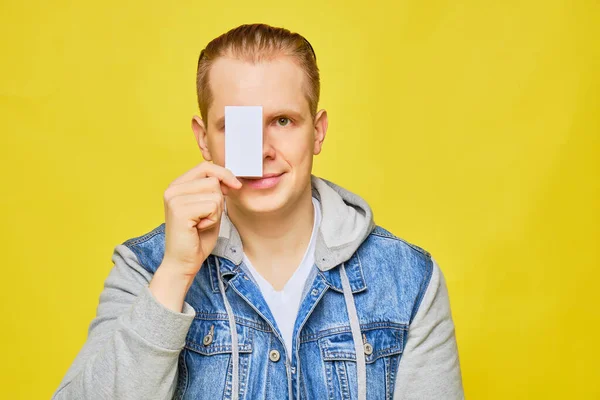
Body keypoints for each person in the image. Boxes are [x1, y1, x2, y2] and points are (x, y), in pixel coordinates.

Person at [52, 23, 464, 400]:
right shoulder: (144, 269)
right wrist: (175, 274)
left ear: (317, 132)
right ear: (204, 139)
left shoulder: (408, 280)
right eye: (237, 126)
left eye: (283, 121)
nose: (264, 151)